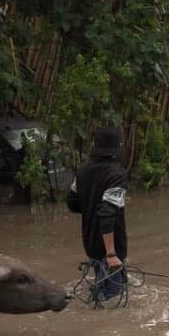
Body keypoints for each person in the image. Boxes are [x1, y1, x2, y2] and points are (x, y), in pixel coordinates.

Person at [66, 125, 129, 303]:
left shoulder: (83, 171)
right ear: (119, 145)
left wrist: (91, 207)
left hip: (90, 244)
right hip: (111, 247)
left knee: (101, 291)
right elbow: (108, 213)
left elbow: (72, 202)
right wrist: (111, 254)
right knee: (113, 297)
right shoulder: (117, 174)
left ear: (95, 144)